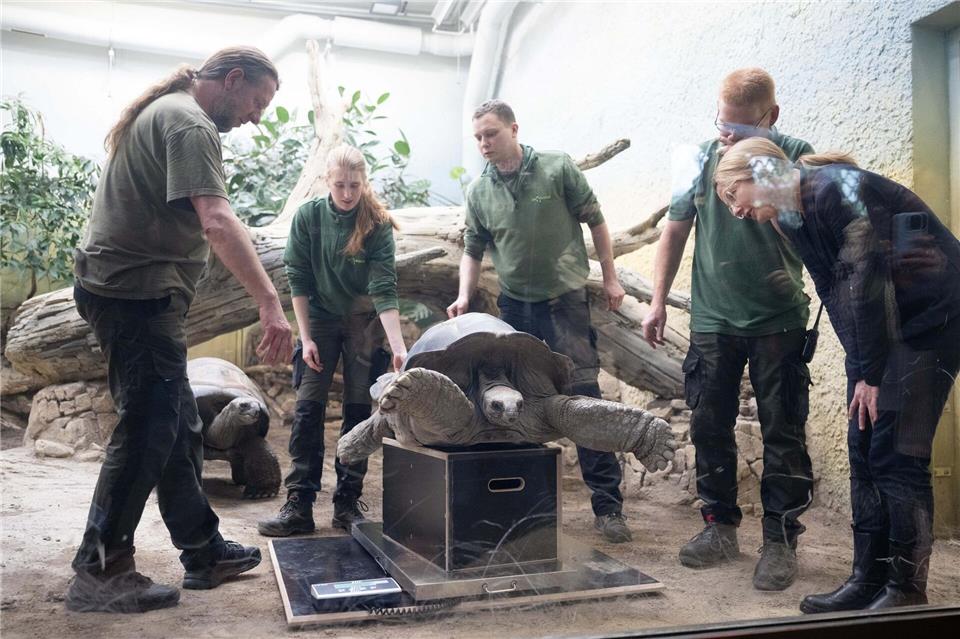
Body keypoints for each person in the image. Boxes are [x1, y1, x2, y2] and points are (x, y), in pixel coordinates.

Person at [68, 47, 293, 613]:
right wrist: (269, 302)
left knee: (177, 421)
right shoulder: (189, 122)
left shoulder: (170, 110)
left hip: (132, 290)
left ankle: (203, 549)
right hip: (135, 295)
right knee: (148, 427)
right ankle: (100, 569)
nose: (257, 116)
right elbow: (216, 219)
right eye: (257, 102)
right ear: (233, 80)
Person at [715, 137, 960, 611]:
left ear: (763, 172)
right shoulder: (789, 214)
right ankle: (866, 580)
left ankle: (905, 590)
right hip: (883, 332)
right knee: (864, 449)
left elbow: (866, 281)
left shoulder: (830, 190)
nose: (734, 210)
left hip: (932, 324)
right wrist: (859, 364)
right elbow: (835, 290)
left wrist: (870, 373)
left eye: (733, 194)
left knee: (897, 457)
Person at [641, 68, 815, 589]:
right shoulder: (697, 157)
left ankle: (781, 541)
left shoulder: (794, 153)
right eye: (721, 123)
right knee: (708, 423)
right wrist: (656, 303)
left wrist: (763, 168)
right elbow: (674, 230)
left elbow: (803, 227)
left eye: (739, 130)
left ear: (771, 118)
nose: (726, 137)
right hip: (713, 317)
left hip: (778, 317)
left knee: (782, 428)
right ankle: (719, 527)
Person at [447, 99, 633, 544]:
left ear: (513, 129)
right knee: (516, 403)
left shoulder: (556, 168)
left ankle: (608, 507)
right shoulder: (479, 191)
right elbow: (472, 249)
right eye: (477, 137)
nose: (484, 143)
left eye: (491, 134)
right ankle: (521, 509)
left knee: (584, 398)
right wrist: (463, 296)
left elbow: (597, 222)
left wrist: (609, 278)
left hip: (566, 303)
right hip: (516, 309)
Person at [258, 145, 407, 538]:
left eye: (354, 186)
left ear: (364, 183)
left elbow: (384, 289)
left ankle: (347, 502)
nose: (346, 193)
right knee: (308, 408)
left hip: (364, 323)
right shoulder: (309, 217)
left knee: (358, 411)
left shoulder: (375, 222)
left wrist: (397, 346)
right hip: (320, 318)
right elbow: (299, 278)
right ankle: (299, 504)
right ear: (328, 181)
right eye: (339, 185)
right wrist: (304, 338)